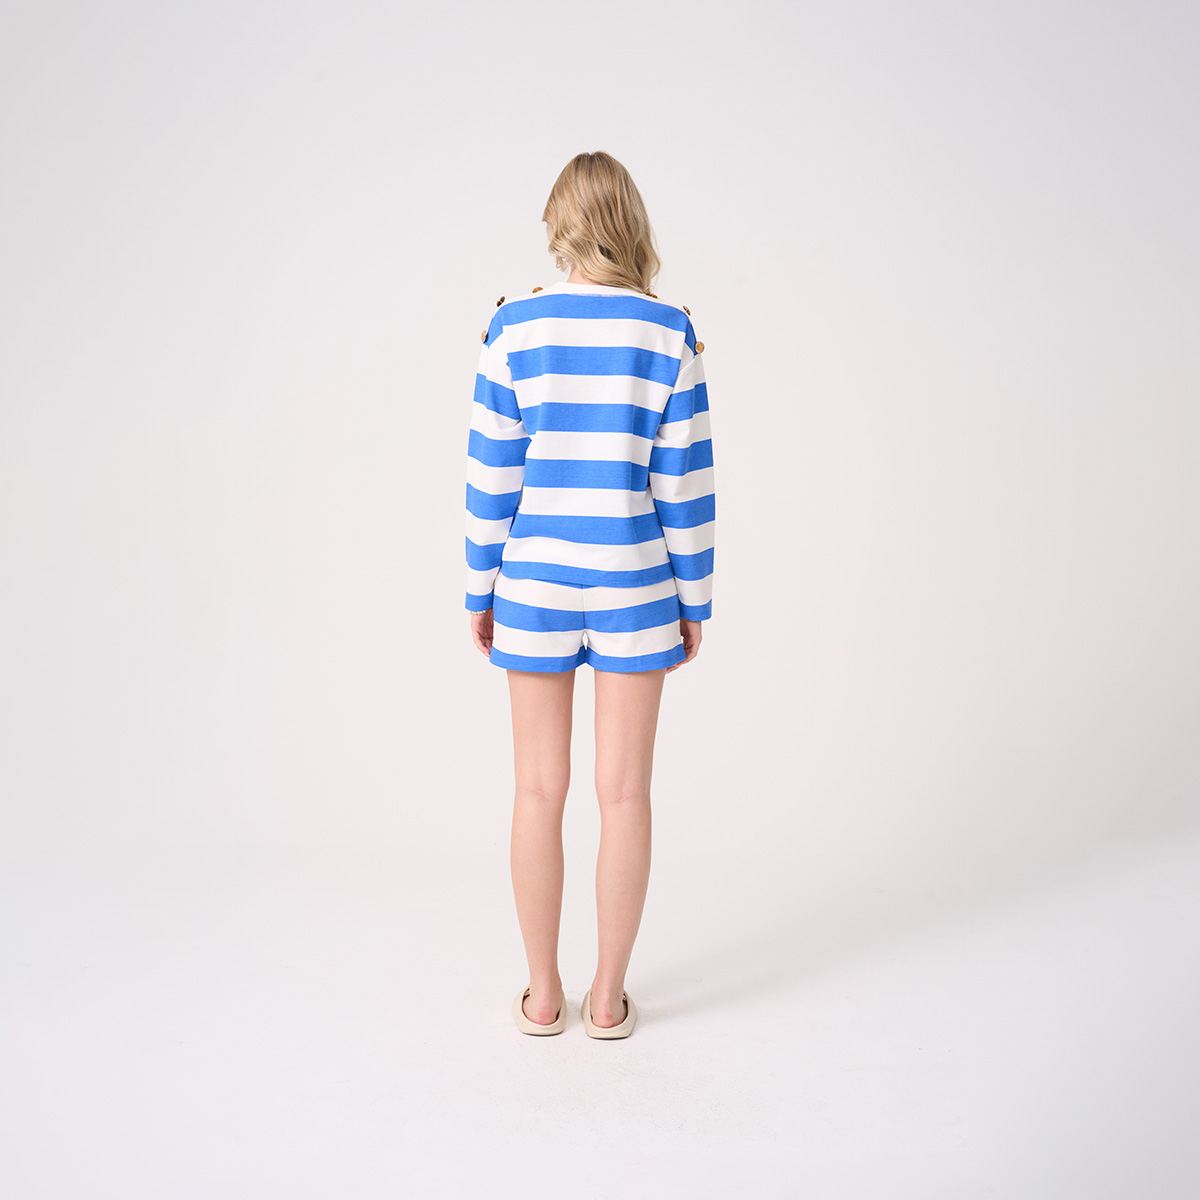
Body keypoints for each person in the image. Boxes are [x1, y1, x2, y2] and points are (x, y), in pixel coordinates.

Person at [463, 151, 715, 1039]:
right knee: (625, 793)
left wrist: (480, 587)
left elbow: (491, 475)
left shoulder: (513, 328)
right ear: (630, 222)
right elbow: (685, 484)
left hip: (531, 576)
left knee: (537, 790)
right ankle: (608, 999)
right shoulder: (669, 332)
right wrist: (693, 602)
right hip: (636, 578)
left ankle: (543, 996)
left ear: (559, 224)